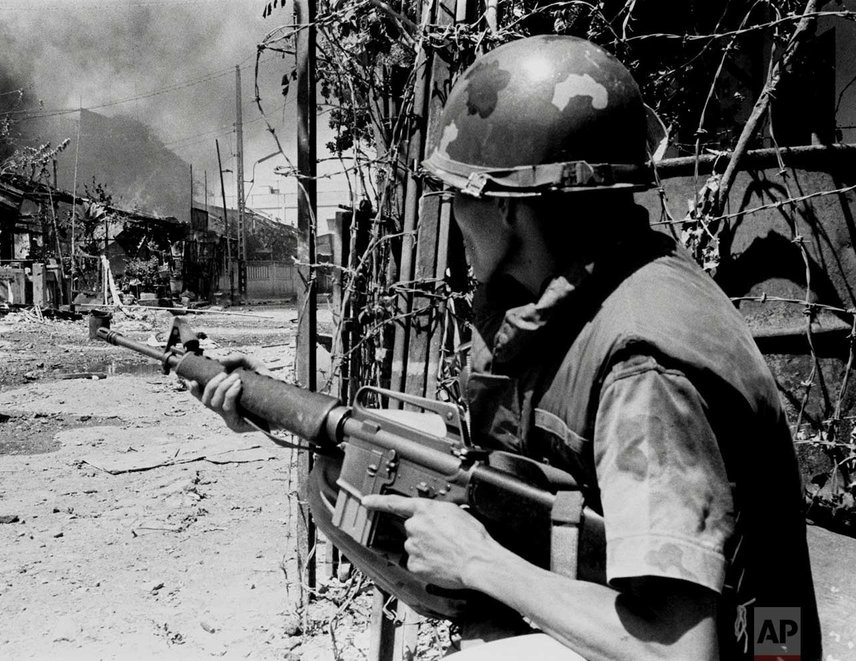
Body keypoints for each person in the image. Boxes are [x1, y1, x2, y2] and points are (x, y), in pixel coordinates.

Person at [192, 35, 821, 661]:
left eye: (461, 195)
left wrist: (478, 561)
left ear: (511, 207)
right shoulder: (588, 287)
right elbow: (527, 468)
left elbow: (680, 650)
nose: (456, 218)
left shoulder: (645, 367)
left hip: (747, 649)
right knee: (343, 476)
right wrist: (273, 406)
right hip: (660, 607)